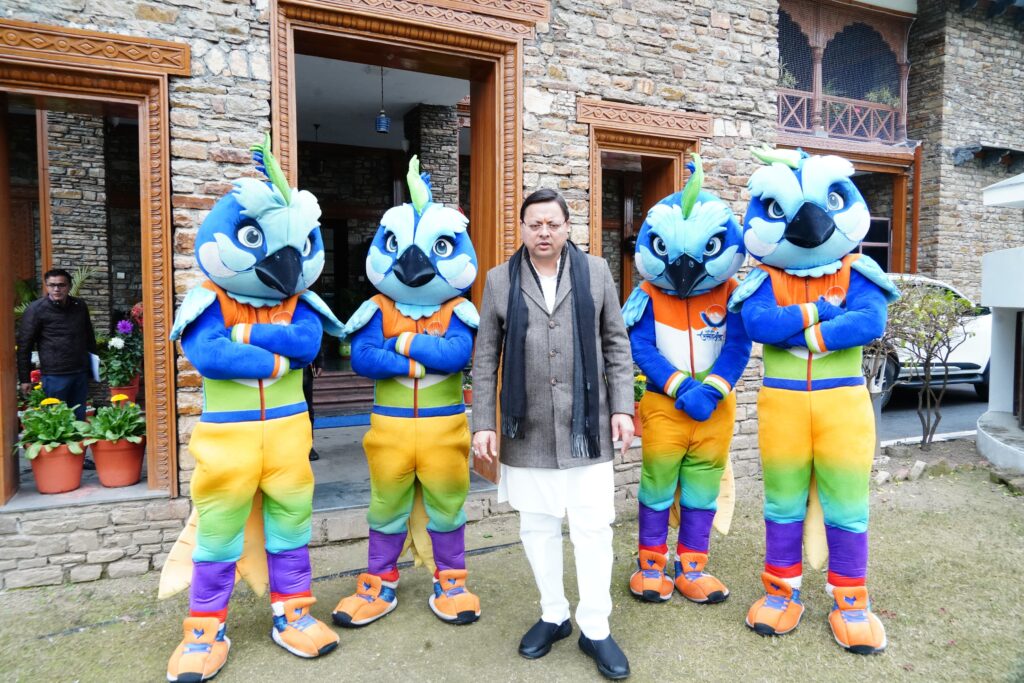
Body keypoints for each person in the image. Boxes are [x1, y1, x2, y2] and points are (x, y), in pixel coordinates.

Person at [472, 188, 635, 680]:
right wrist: (484, 422)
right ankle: (553, 614)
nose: (544, 232)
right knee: (537, 526)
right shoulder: (500, 280)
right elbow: (485, 357)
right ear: (522, 228)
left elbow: (616, 344)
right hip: (528, 429)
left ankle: (596, 627)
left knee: (593, 528)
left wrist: (622, 408)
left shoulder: (597, 273)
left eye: (553, 223)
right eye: (535, 224)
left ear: (567, 228)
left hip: (587, 426)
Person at [17, 268, 98, 422]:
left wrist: (93, 367)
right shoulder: (36, 310)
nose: (56, 289)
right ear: (46, 286)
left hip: (79, 372)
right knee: (57, 421)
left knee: (79, 419)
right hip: (54, 375)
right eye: (52, 285)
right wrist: (25, 379)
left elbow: (89, 336)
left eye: (61, 285)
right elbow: (24, 346)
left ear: (69, 286)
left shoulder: (79, 305)